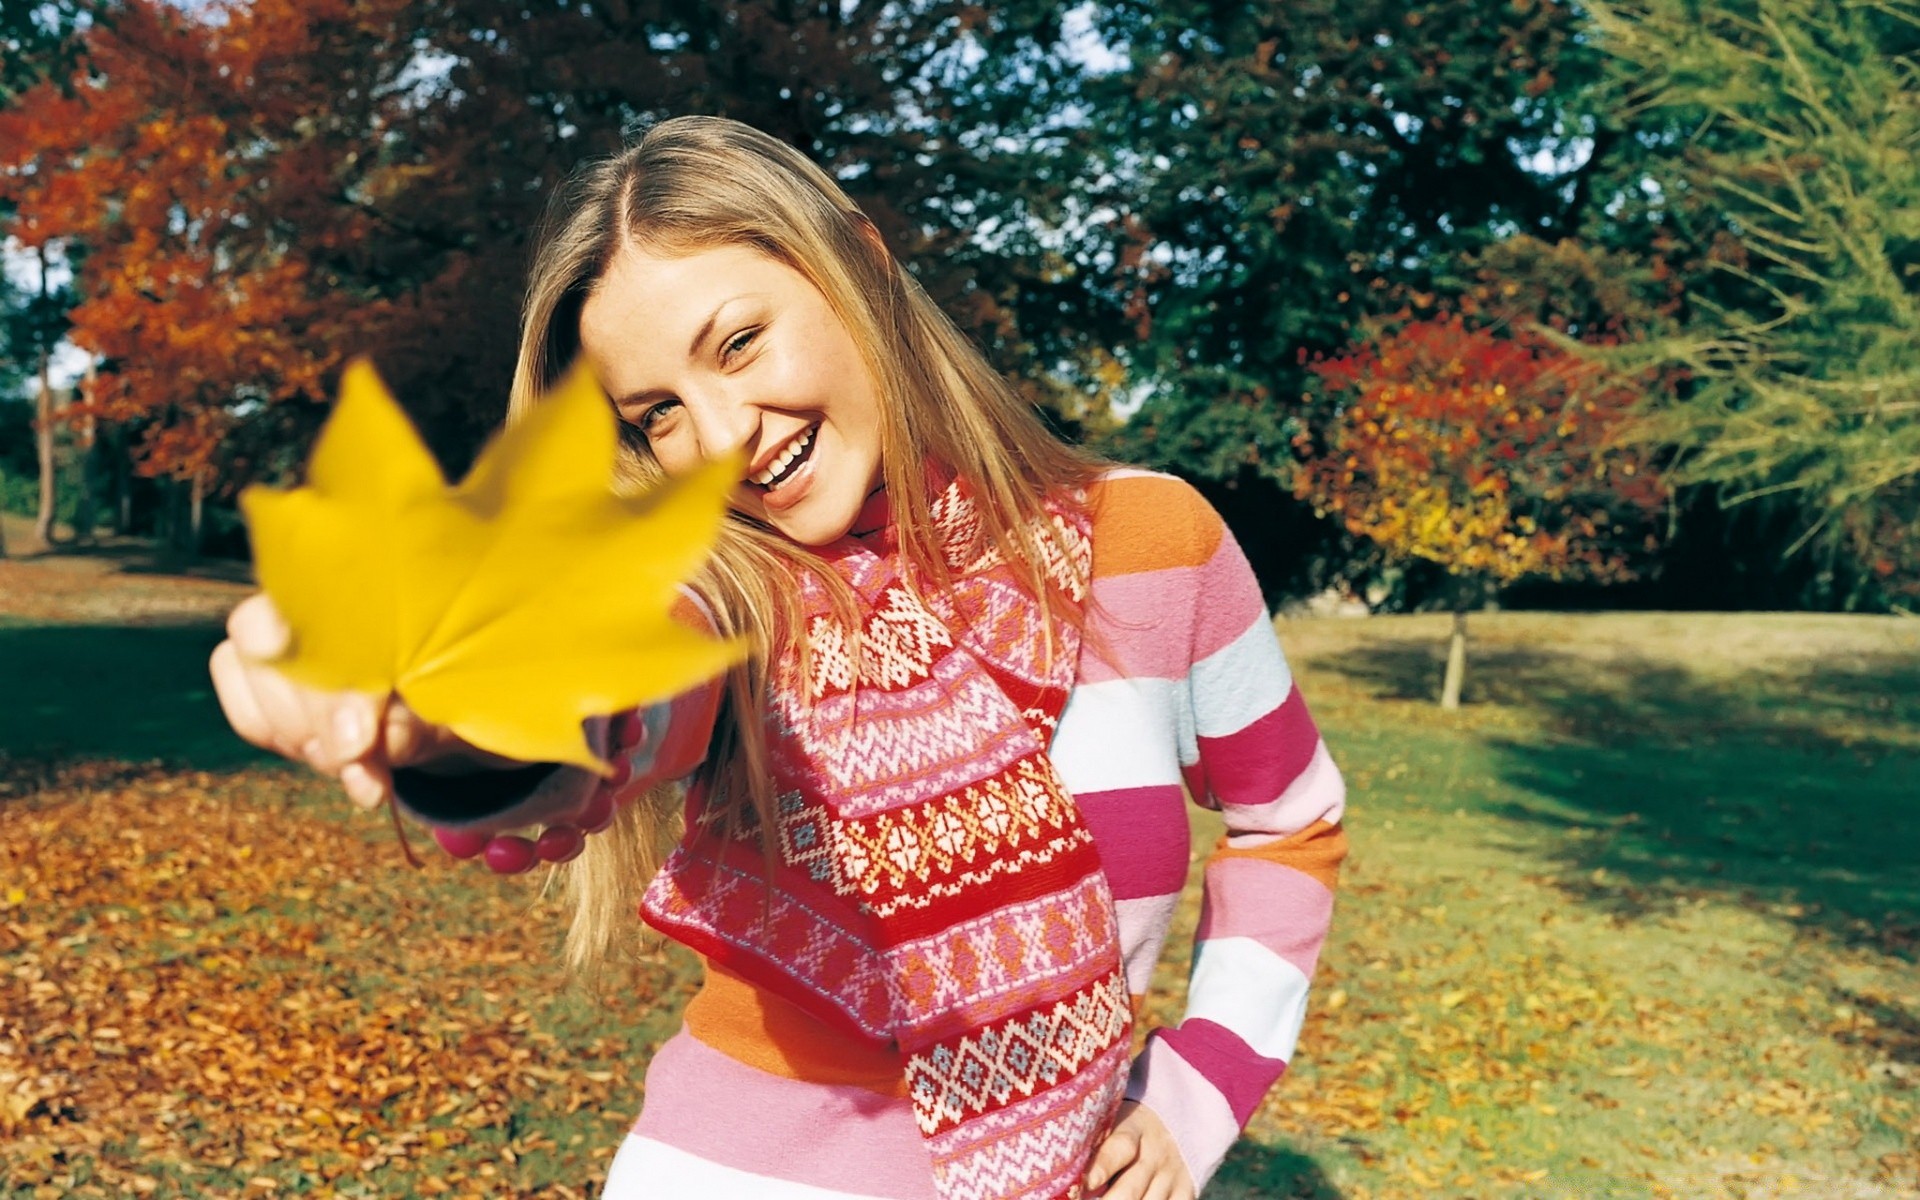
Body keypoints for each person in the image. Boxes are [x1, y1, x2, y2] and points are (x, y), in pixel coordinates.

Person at [210, 115, 1347, 1200]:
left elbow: (1290, 823)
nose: (721, 440)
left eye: (740, 343)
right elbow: (621, 673)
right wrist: (437, 704)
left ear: (855, 259)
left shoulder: (1155, 545)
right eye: (657, 413)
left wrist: (1200, 1089)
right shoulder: (723, 592)